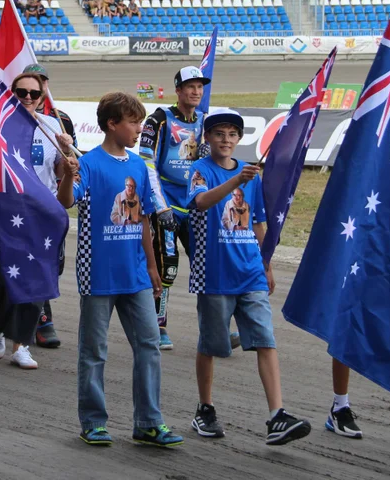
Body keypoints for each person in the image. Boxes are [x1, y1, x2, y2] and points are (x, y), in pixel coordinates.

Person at [56, 91, 183, 449]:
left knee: (149, 346)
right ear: (112, 124)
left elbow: (143, 219)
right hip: (98, 274)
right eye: (133, 122)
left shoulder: (139, 166)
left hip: (137, 275)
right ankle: (93, 422)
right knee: (94, 351)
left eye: (141, 121)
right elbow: (66, 201)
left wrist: (154, 265)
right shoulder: (90, 163)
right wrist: (68, 176)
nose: (139, 129)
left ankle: (148, 422)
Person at [186, 110, 310, 446]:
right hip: (214, 273)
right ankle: (205, 408)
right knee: (211, 344)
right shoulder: (200, 171)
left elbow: (257, 223)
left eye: (232, 135)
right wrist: (235, 182)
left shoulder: (250, 177)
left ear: (240, 139)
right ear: (208, 138)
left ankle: (277, 415)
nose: (226, 140)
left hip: (250, 272)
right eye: (219, 134)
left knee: (265, 340)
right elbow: (200, 202)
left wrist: (265, 263)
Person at [0, 73, 71, 367]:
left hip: (43, 215)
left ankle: (21, 344)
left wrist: (65, 152)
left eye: (33, 94)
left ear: (41, 97)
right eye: (20, 92)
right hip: (5, 211)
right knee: (1, 276)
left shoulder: (51, 126)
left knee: (37, 278)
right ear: (11, 94)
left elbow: (61, 174)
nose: (27, 98)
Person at [139, 65, 216, 351]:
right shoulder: (159, 119)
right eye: (190, 87)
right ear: (179, 90)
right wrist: (160, 207)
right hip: (166, 206)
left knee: (207, 267)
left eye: (200, 87)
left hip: (194, 206)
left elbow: (210, 167)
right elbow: (146, 163)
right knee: (166, 267)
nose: (196, 92)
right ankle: (157, 325)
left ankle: (214, 328)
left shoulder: (205, 122)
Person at [23, 62, 76, 349]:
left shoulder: (59, 121)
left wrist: (66, 151)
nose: (33, 92)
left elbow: (64, 170)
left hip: (48, 204)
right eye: (28, 86)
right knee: (28, 263)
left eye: (40, 84)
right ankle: (41, 319)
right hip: (17, 206)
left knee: (52, 264)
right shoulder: (8, 119)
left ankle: (36, 313)